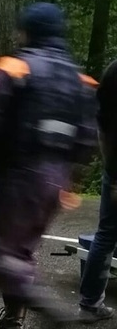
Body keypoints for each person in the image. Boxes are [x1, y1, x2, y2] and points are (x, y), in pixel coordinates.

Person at [0, 2, 97, 328]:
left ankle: (52, 311)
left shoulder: (15, 68)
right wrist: (70, 179)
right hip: (56, 179)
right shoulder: (78, 79)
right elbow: (86, 136)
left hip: (20, 175)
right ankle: (14, 317)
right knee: (20, 252)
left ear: (30, 31)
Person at [77, 58, 117, 324]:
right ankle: (90, 303)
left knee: (106, 235)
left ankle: (90, 303)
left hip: (113, 168)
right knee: (105, 236)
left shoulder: (113, 72)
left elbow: (102, 125)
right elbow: (105, 126)